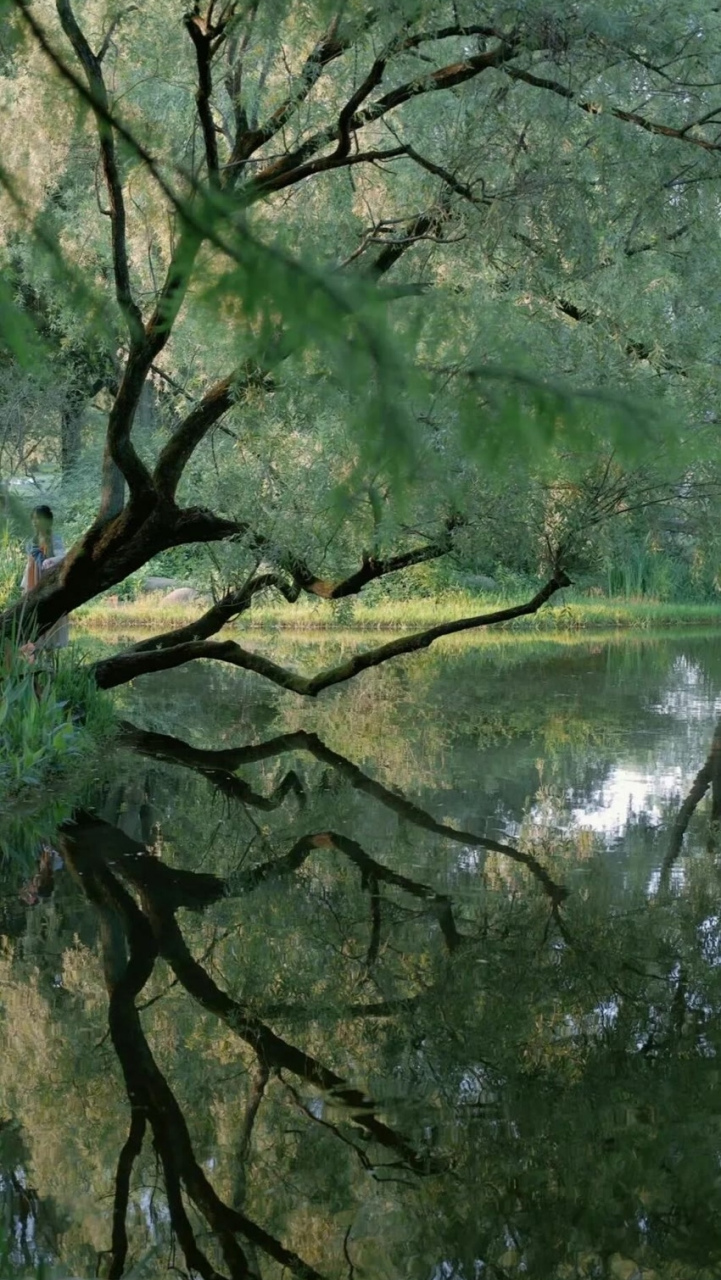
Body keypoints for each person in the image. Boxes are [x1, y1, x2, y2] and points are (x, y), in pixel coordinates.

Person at [21, 504, 69, 650]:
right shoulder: (31, 540)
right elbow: (29, 565)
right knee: (33, 618)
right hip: (33, 580)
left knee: (50, 618)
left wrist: (50, 560)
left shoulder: (55, 539)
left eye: (39, 518)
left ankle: (50, 660)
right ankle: (35, 655)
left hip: (49, 581)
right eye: (33, 518)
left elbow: (62, 556)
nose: (35, 522)